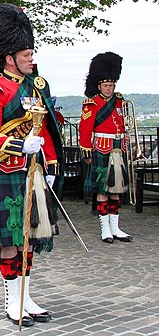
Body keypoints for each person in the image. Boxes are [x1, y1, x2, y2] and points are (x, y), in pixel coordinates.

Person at [0, 3, 63, 326]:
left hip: (31, 171)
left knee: (29, 238)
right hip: (4, 170)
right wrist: (21, 145)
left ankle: (27, 298)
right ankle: (12, 302)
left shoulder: (35, 87)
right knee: (9, 242)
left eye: (32, 52)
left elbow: (44, 128)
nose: (31, 58)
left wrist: (48, 159)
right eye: (26, 53)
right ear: (9, 57)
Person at [79, 52, 133, 243]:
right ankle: (105, 229)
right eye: (105, 85)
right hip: (101, 149)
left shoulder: (120, 101)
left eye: (111, 85)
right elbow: (85, 130)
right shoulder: (92, 104)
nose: (109, 88)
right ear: (99, 86)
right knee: (102, 190)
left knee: (116, 189)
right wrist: (86, 151)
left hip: (118, 148)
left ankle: (116, 227)